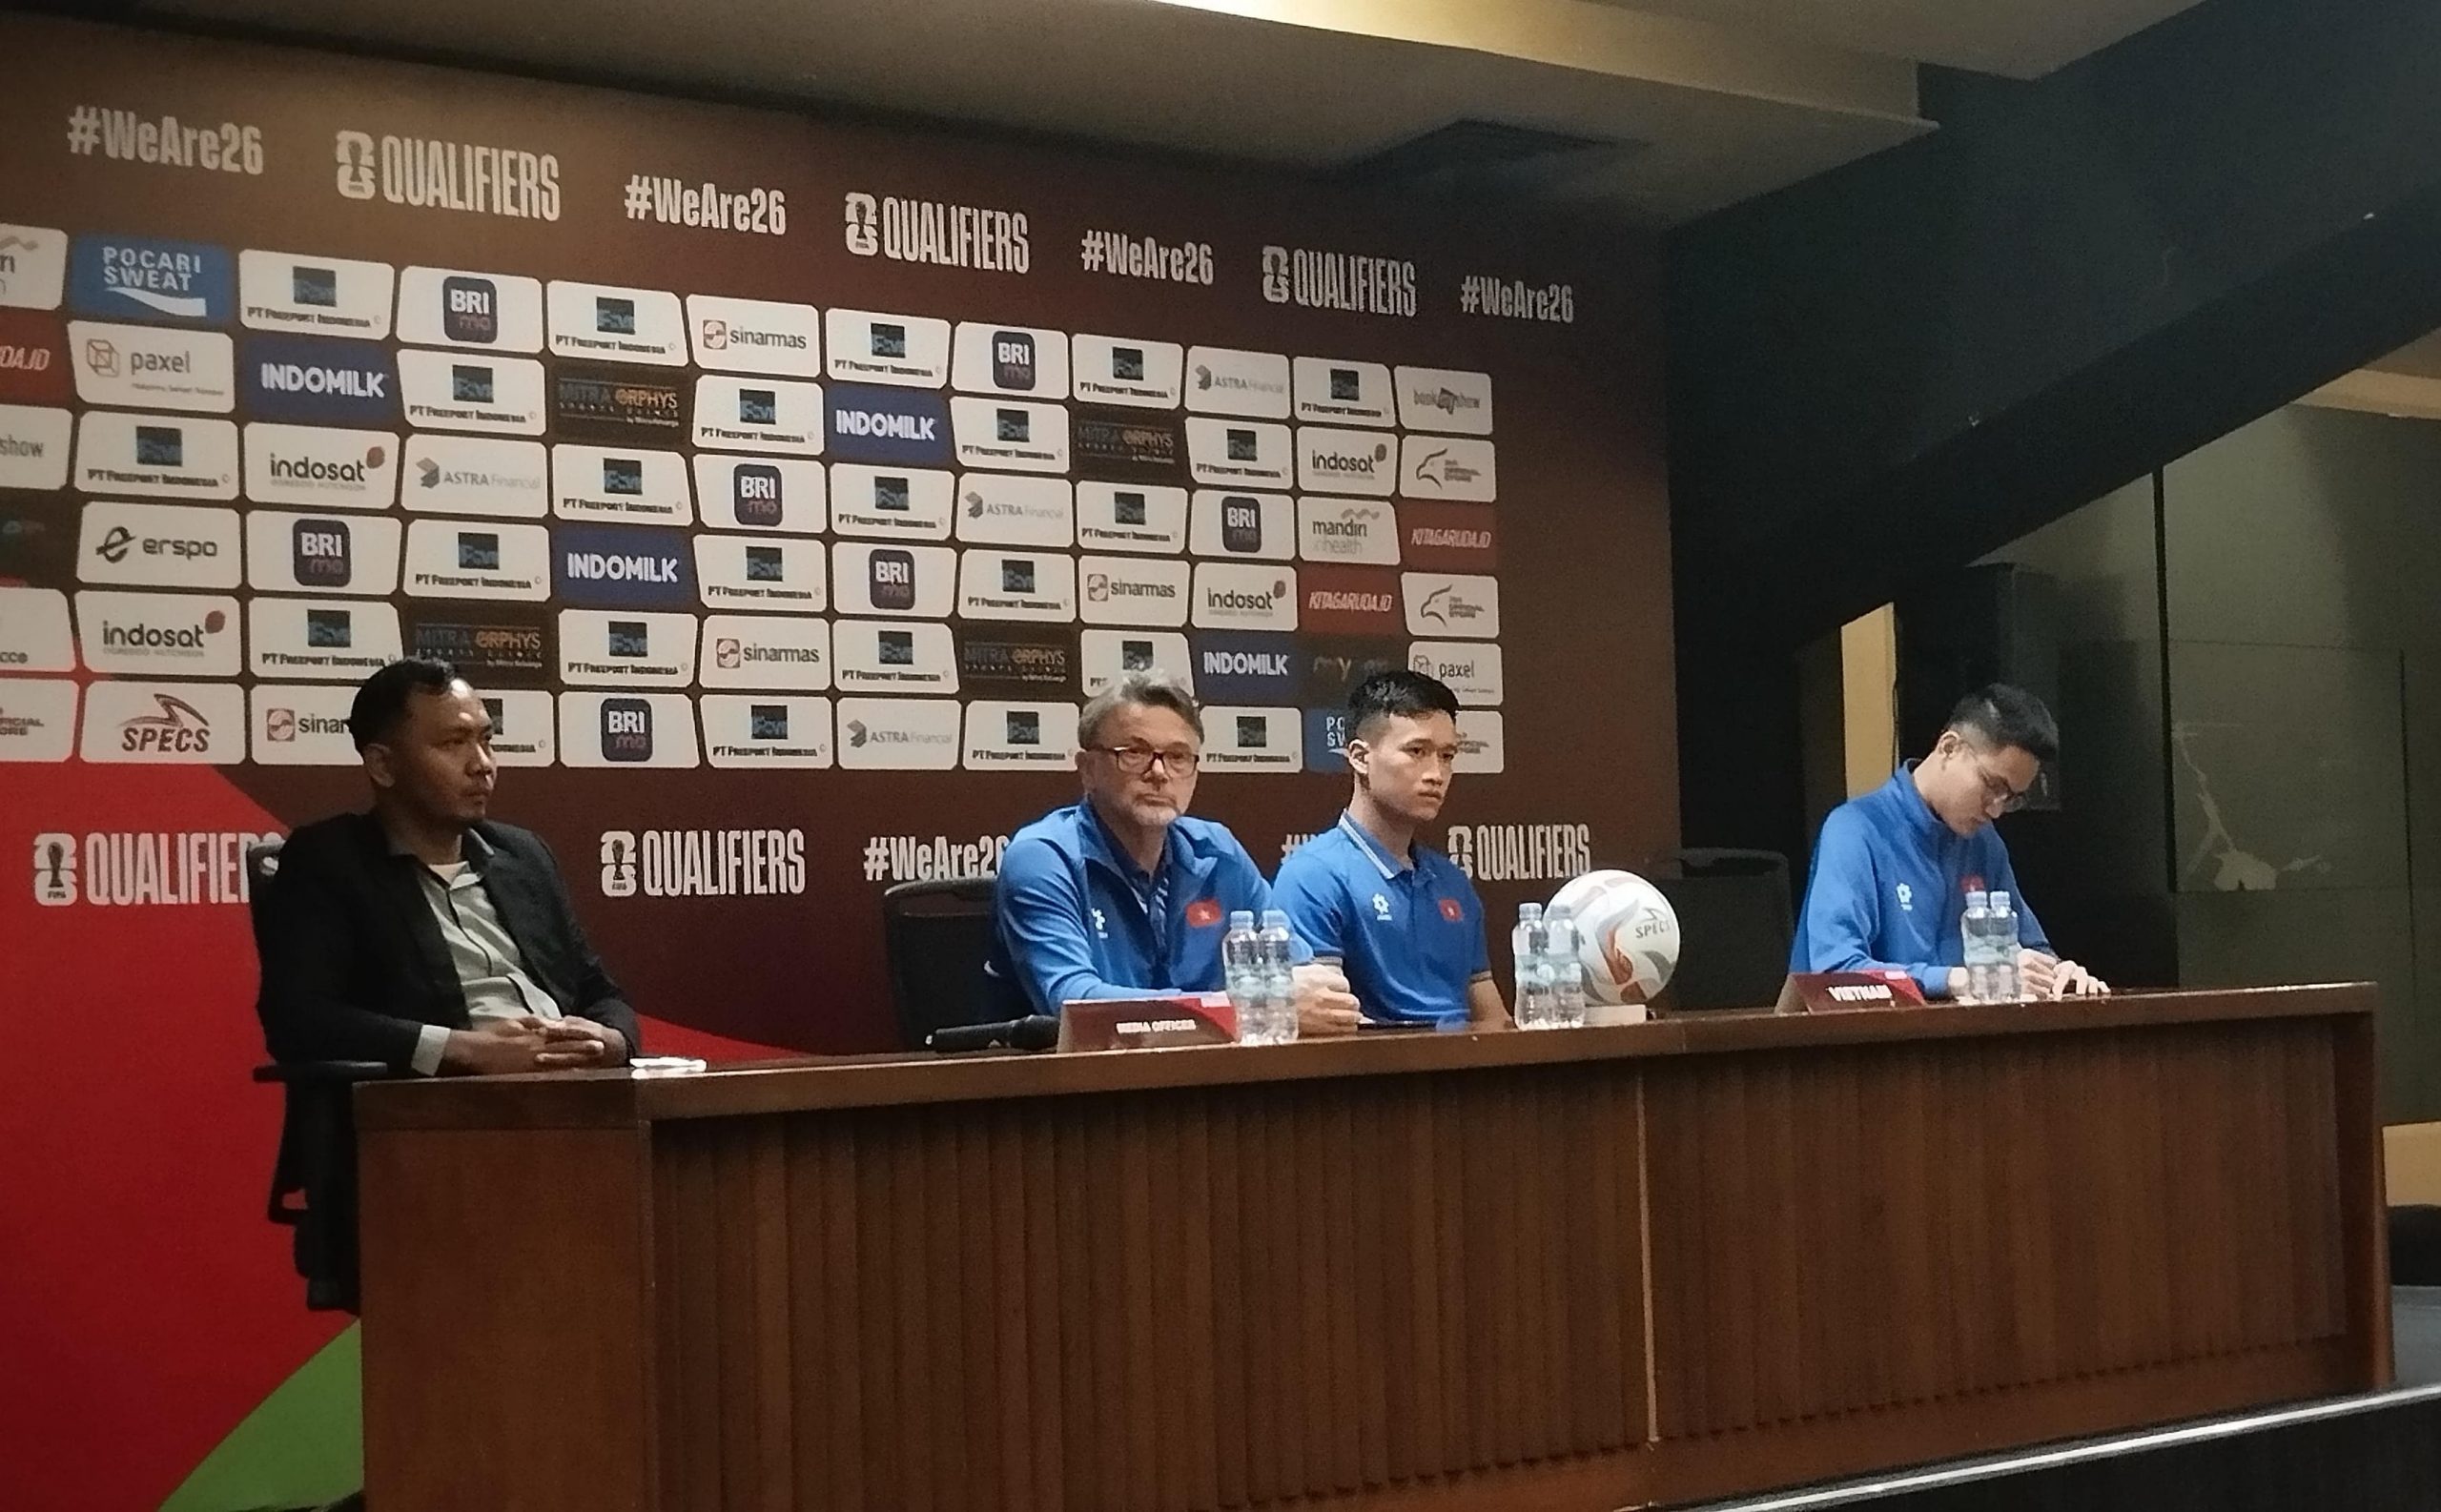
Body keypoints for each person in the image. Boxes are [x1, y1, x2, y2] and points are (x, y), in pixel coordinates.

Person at [255, 659, 641, 1075]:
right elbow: (298, 1018)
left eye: (486, 740)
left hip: (577, 1085)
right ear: (383, 765)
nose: (482, 764)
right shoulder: (330, 860)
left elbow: (598, 990)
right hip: (445, 1098)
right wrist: (462, 1050)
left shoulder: (523, 855)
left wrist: (612, 1040)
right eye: (454, 743)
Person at [984, 670, 1362, 1032]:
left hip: (1210, 1070)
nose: (1160, 773)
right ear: (1088, 769)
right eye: (1135, 752)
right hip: (1076, 1074)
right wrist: (1247, 1006)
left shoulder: (1218, 852)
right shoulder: (1044, 857)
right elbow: (1075, 1003)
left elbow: (1301, 971)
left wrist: (1307, 993)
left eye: (1178, 756)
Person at [1793, 683, 2108, 999]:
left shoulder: (1985, 845)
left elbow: (2031, 947)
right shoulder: (1855, 831)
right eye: (1992, 785)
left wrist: (2057, 973)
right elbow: (1835, 972)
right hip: (1868, 1029)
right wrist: (1958, 980)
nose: (1996, 810)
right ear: (1949, 748)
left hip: (1964, 1029)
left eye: (2012, 798)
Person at [1272, 669, 1506, 1027]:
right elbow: (1326, 1025)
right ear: (1360, 757)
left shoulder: (1452, 881)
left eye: (1447, 756)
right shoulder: (1313, 875)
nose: (1436, 773)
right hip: (1376, 1061)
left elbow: (1493, 1020)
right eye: (1417, 751)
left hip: (1470, 1060)